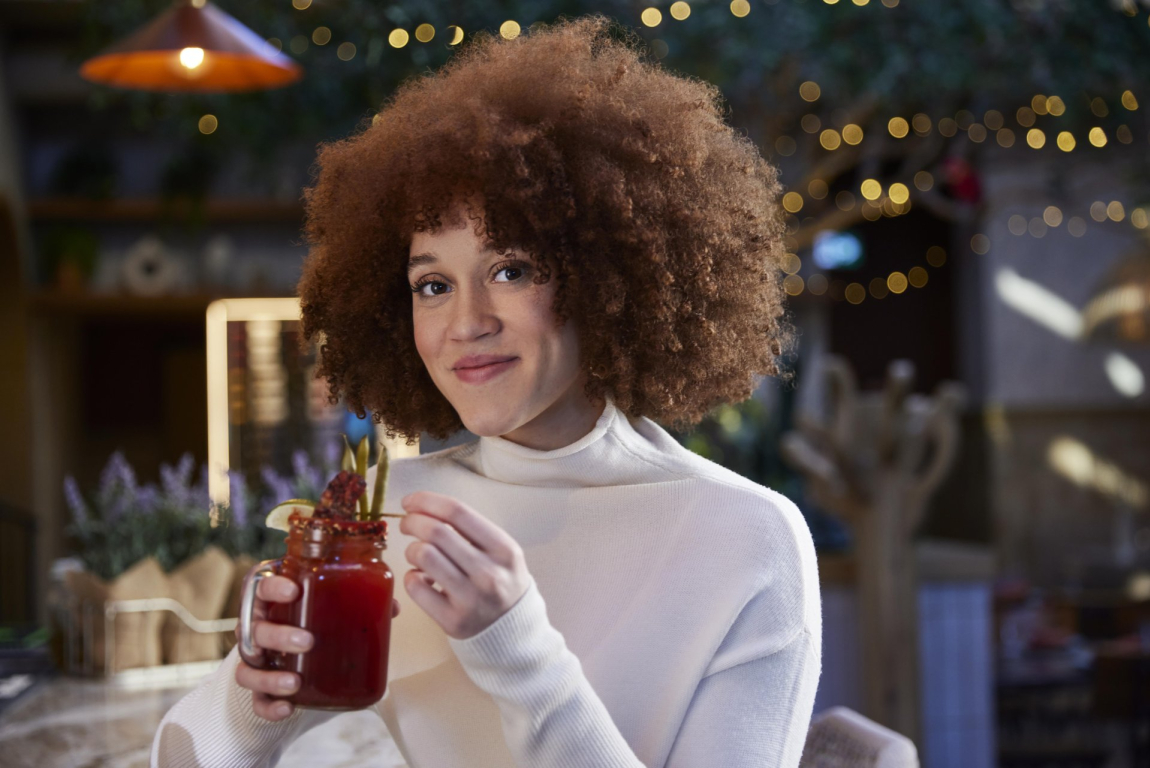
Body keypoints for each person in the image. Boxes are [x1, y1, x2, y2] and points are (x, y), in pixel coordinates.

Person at [152, 13, 820, 768]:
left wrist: (516, 647)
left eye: (511, 270)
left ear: (608, 279)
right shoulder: (387, 510)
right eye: (432, 284)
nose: (465, 322)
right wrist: (255, 700)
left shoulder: (745, 537)